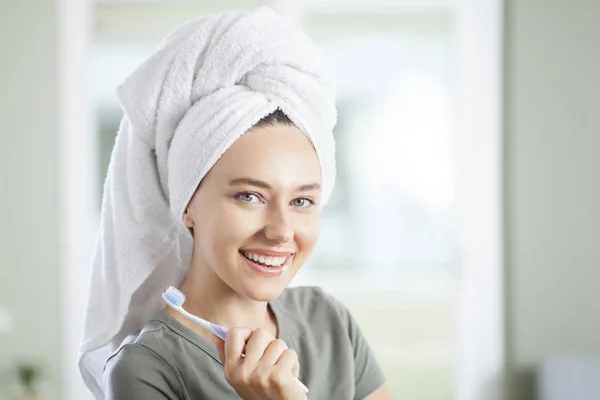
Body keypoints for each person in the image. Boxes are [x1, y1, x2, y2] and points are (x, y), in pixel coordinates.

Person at [79, 6, 391, 400]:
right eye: (250, 196)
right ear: (187, 203)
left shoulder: (328, 323)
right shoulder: (145, 370)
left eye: (302, 200)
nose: (281, 231)